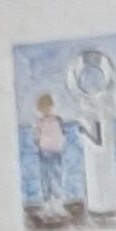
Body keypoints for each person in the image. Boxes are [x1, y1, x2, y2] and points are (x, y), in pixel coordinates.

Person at [25, 91, 72, 222]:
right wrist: (38, 146)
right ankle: (47, 207)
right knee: (46, 180)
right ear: (39, 110)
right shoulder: (39, 122)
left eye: (48, 107)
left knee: (56, 178)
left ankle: (58, 206)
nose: (46, 110)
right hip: (44, 154)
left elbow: (63, 135)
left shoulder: (58, 120)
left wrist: (62, 146)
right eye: (43, 108)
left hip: (56, 153)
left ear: (52, 107)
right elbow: (35, 137)